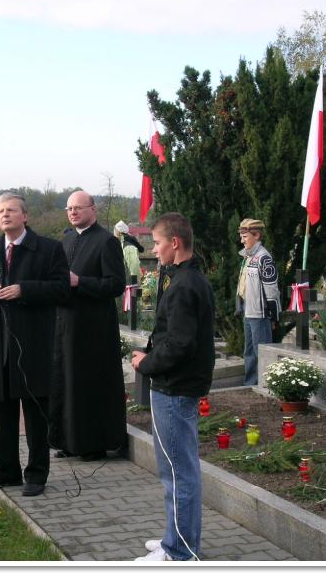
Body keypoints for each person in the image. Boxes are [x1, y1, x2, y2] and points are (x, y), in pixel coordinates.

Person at [0, 192, 69, 498]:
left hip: (33, 344)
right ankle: (7, 472)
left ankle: (36, 474)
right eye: (0, 211)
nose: (4, 215)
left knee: (36, 414)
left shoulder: (49, 250)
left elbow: (62, 289)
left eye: (11, 210)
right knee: (4, 413)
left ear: (25, 216)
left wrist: (24, 290)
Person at [130, 213, 215, 562]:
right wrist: (151, 353)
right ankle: (176, 538)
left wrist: (144, 364)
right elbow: (173, 335)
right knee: (177, 470)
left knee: (178, 473)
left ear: (175, 243)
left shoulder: (184, 285)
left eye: (158, 242)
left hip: (174, 389)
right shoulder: (186, 278)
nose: (154, 248)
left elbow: (179, 345)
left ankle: (179, 552)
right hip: (176, 386)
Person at [50, 191, 127, 462]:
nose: (72, 213)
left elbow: (116, 285)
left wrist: (78, 282)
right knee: (66, 381)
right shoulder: (67, 238)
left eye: (78, 208)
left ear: (92, 210)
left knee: (88, 384)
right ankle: (68, 441)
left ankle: (93, 444)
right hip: (65, 322)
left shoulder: (106, 241)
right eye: (69, 208)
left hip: (94, 328)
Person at [235, 218, 280, 387]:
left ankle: (265, 385)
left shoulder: (264, 258)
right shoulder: (247, 257)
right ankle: (250, 384)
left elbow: (271, 289)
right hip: (248, 309)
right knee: (249, 351)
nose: (242, 240)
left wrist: (273, 315)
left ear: (257, 235)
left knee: (261, 351)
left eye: (245, 236)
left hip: (260, 312)